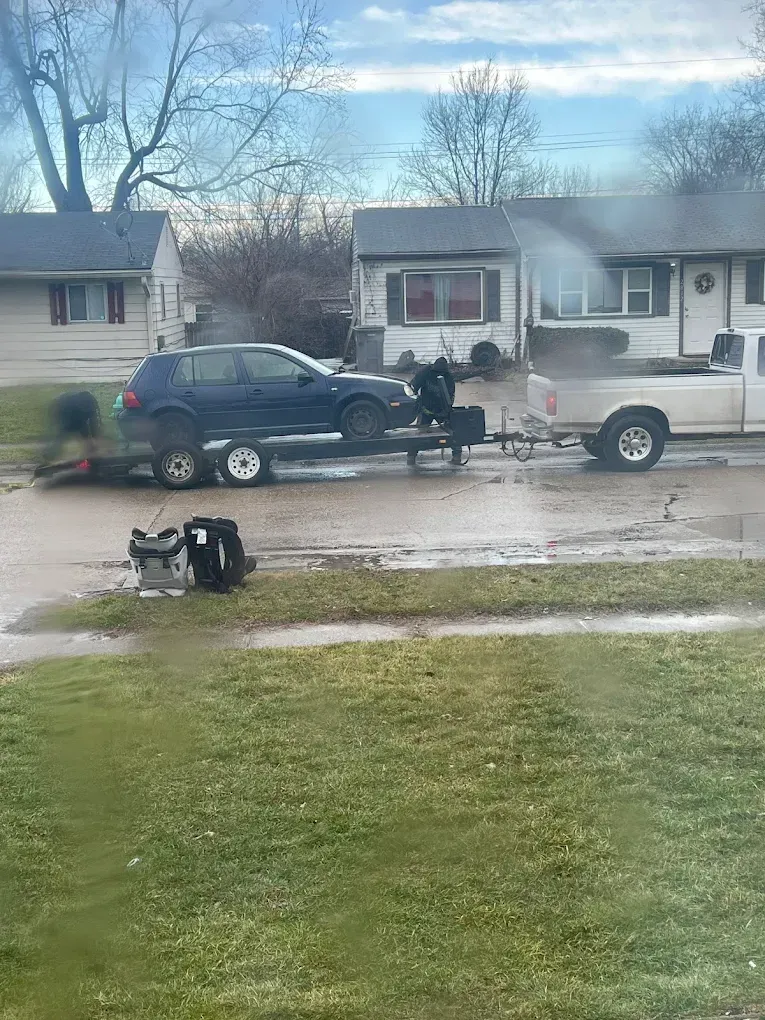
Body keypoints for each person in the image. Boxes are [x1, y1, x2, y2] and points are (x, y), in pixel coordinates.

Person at [407, 357, 462, 465]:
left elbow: (450, 397)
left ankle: (457, 456)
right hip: (426, 410)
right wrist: (415, 402)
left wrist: (446, 411)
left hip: (441, 411)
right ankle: (411, 457)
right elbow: (413, 386)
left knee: (451, 431)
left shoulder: (448, 378)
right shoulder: (426, 372)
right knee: (418, 434)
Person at [42, 390, 102, 464]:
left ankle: (91, 455)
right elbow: (93, 422)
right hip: (65, 414)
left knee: (65, 436)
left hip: (73, 415)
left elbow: (93, 422)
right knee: (62, 436)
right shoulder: (66, 403)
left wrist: (95, 438)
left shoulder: (89, 404)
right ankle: (50, 455)